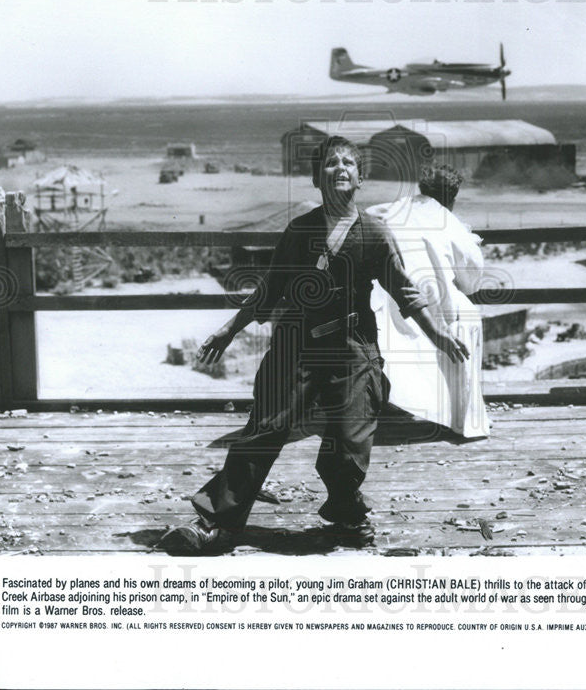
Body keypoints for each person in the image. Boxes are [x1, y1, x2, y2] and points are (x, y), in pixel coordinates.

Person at [155, 136, 469, 556]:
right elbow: (268, 292)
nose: (340, 168)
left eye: (348, 164)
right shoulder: (299, 231)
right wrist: (229, 330)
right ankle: (216, 521)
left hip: (354, 344)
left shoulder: (375, 234)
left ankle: (346, 514)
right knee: (266, 429)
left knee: (350, 437)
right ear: (316, 178)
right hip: (296, 342)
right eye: (330, 163)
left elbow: (405, 293)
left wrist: (439, 334)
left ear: (360, 178)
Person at [366, 165, 491, 439]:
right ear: (453, 198)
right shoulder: (447, 220)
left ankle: (394, 402)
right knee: (467, 316)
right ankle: (461, 419)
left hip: (386, 299)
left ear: (422, 189)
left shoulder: (395, 208)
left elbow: (368, 216)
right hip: (428, 302)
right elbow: (471, 280)